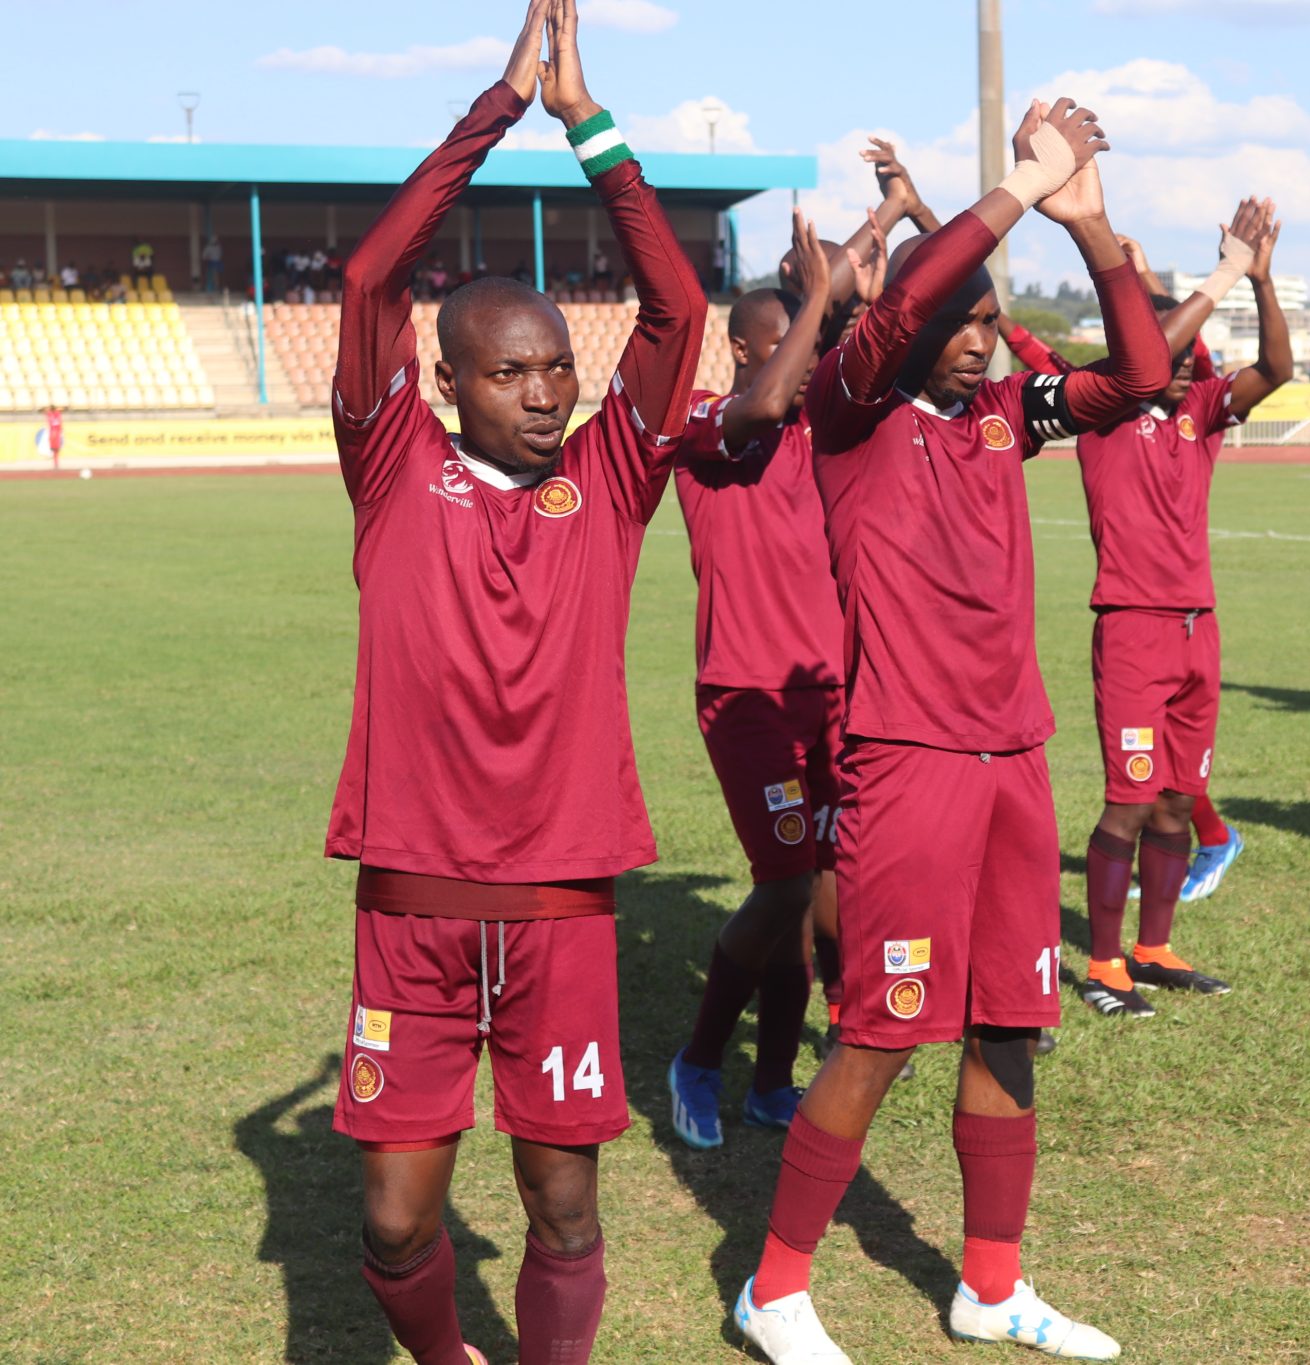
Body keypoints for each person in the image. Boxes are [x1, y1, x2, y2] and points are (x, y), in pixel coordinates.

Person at [729, 96, 1167, 1365]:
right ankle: (774, 1290)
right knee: (882, 1029)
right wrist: (1015, 186)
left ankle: (991, 1286)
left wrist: (1090, 229)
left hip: (1013, 758)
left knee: (1010, 1025)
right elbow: (909, 293)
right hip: (906, 762)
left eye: (989, 323)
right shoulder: (850, 410)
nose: (977, 343)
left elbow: (1142, 378)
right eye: (959, 323)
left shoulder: (1000, 419)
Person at [323, 5, 706, 1363]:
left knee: (563, 1204)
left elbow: (679, 310)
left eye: (557, 369)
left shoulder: (611, 479)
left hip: (560, 909)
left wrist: (588, 127)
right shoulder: (392, 467)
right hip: (410, 906)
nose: (545, 394)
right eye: (510, 371)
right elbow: (370, 278)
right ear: (447, 382)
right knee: (392, 1222)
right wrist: (494, 111)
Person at [663, 208, 879, 1149]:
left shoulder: (818, 424)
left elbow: (845, 347)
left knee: (819, 887)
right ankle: (698, 1060)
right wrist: (824, 294)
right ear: (745, 345)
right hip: (746, 695)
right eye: (789, 331)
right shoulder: (707, 418)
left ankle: (773, 1082)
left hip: (830, 695)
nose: (806, 346)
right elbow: (765, 400)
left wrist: (889, 219)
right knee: (787, 888)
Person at [994, 216, 1251, 908]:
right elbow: (1028, 343)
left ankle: (1209, 843)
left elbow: (1182, 349)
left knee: (1162, 779)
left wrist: (1147, 281)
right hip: (1135, 617)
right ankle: (1206, 842)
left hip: (1183, 617)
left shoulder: (1190, 401)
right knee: (1148, 777)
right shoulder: (1101, 405)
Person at [1075, 197, 1290, 1017]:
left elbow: (1277, 370)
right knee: (1129, 801)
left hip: (1200, 630)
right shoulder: (1100, 410)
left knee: (1174, 798)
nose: (1177, 362)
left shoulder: (1199, 413)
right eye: (1160, 348)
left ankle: (1154, 947)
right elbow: (1144, 349)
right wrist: (1160, 282)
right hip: (1132, 629)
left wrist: (1260, 281)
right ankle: (1103, 964)